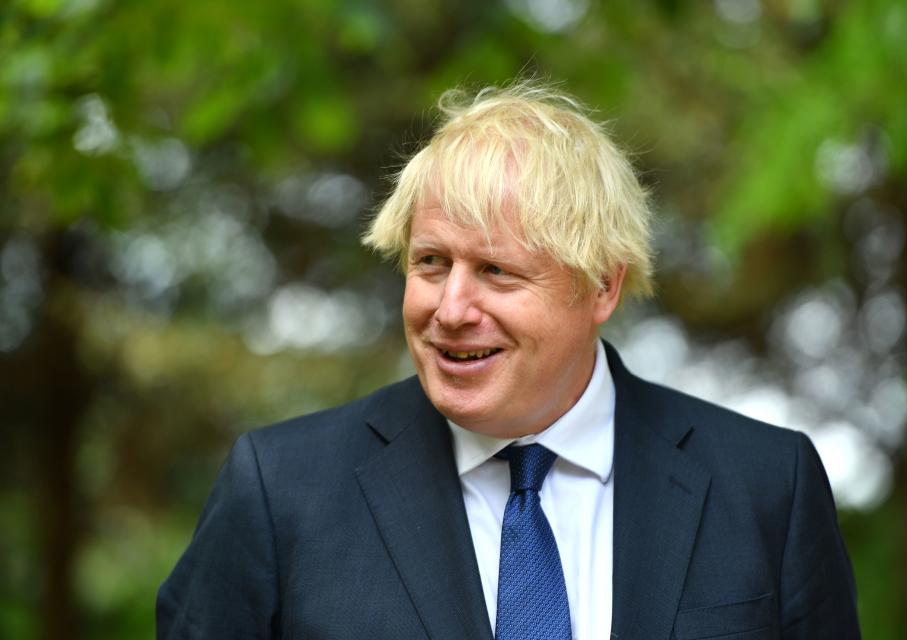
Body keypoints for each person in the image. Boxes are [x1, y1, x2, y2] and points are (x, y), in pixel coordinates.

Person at [157, 82, 860, 639]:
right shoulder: (281, 493)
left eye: (496, 271)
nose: (451, 308)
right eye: (431, 262)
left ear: (603, 285)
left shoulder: (768, 487)